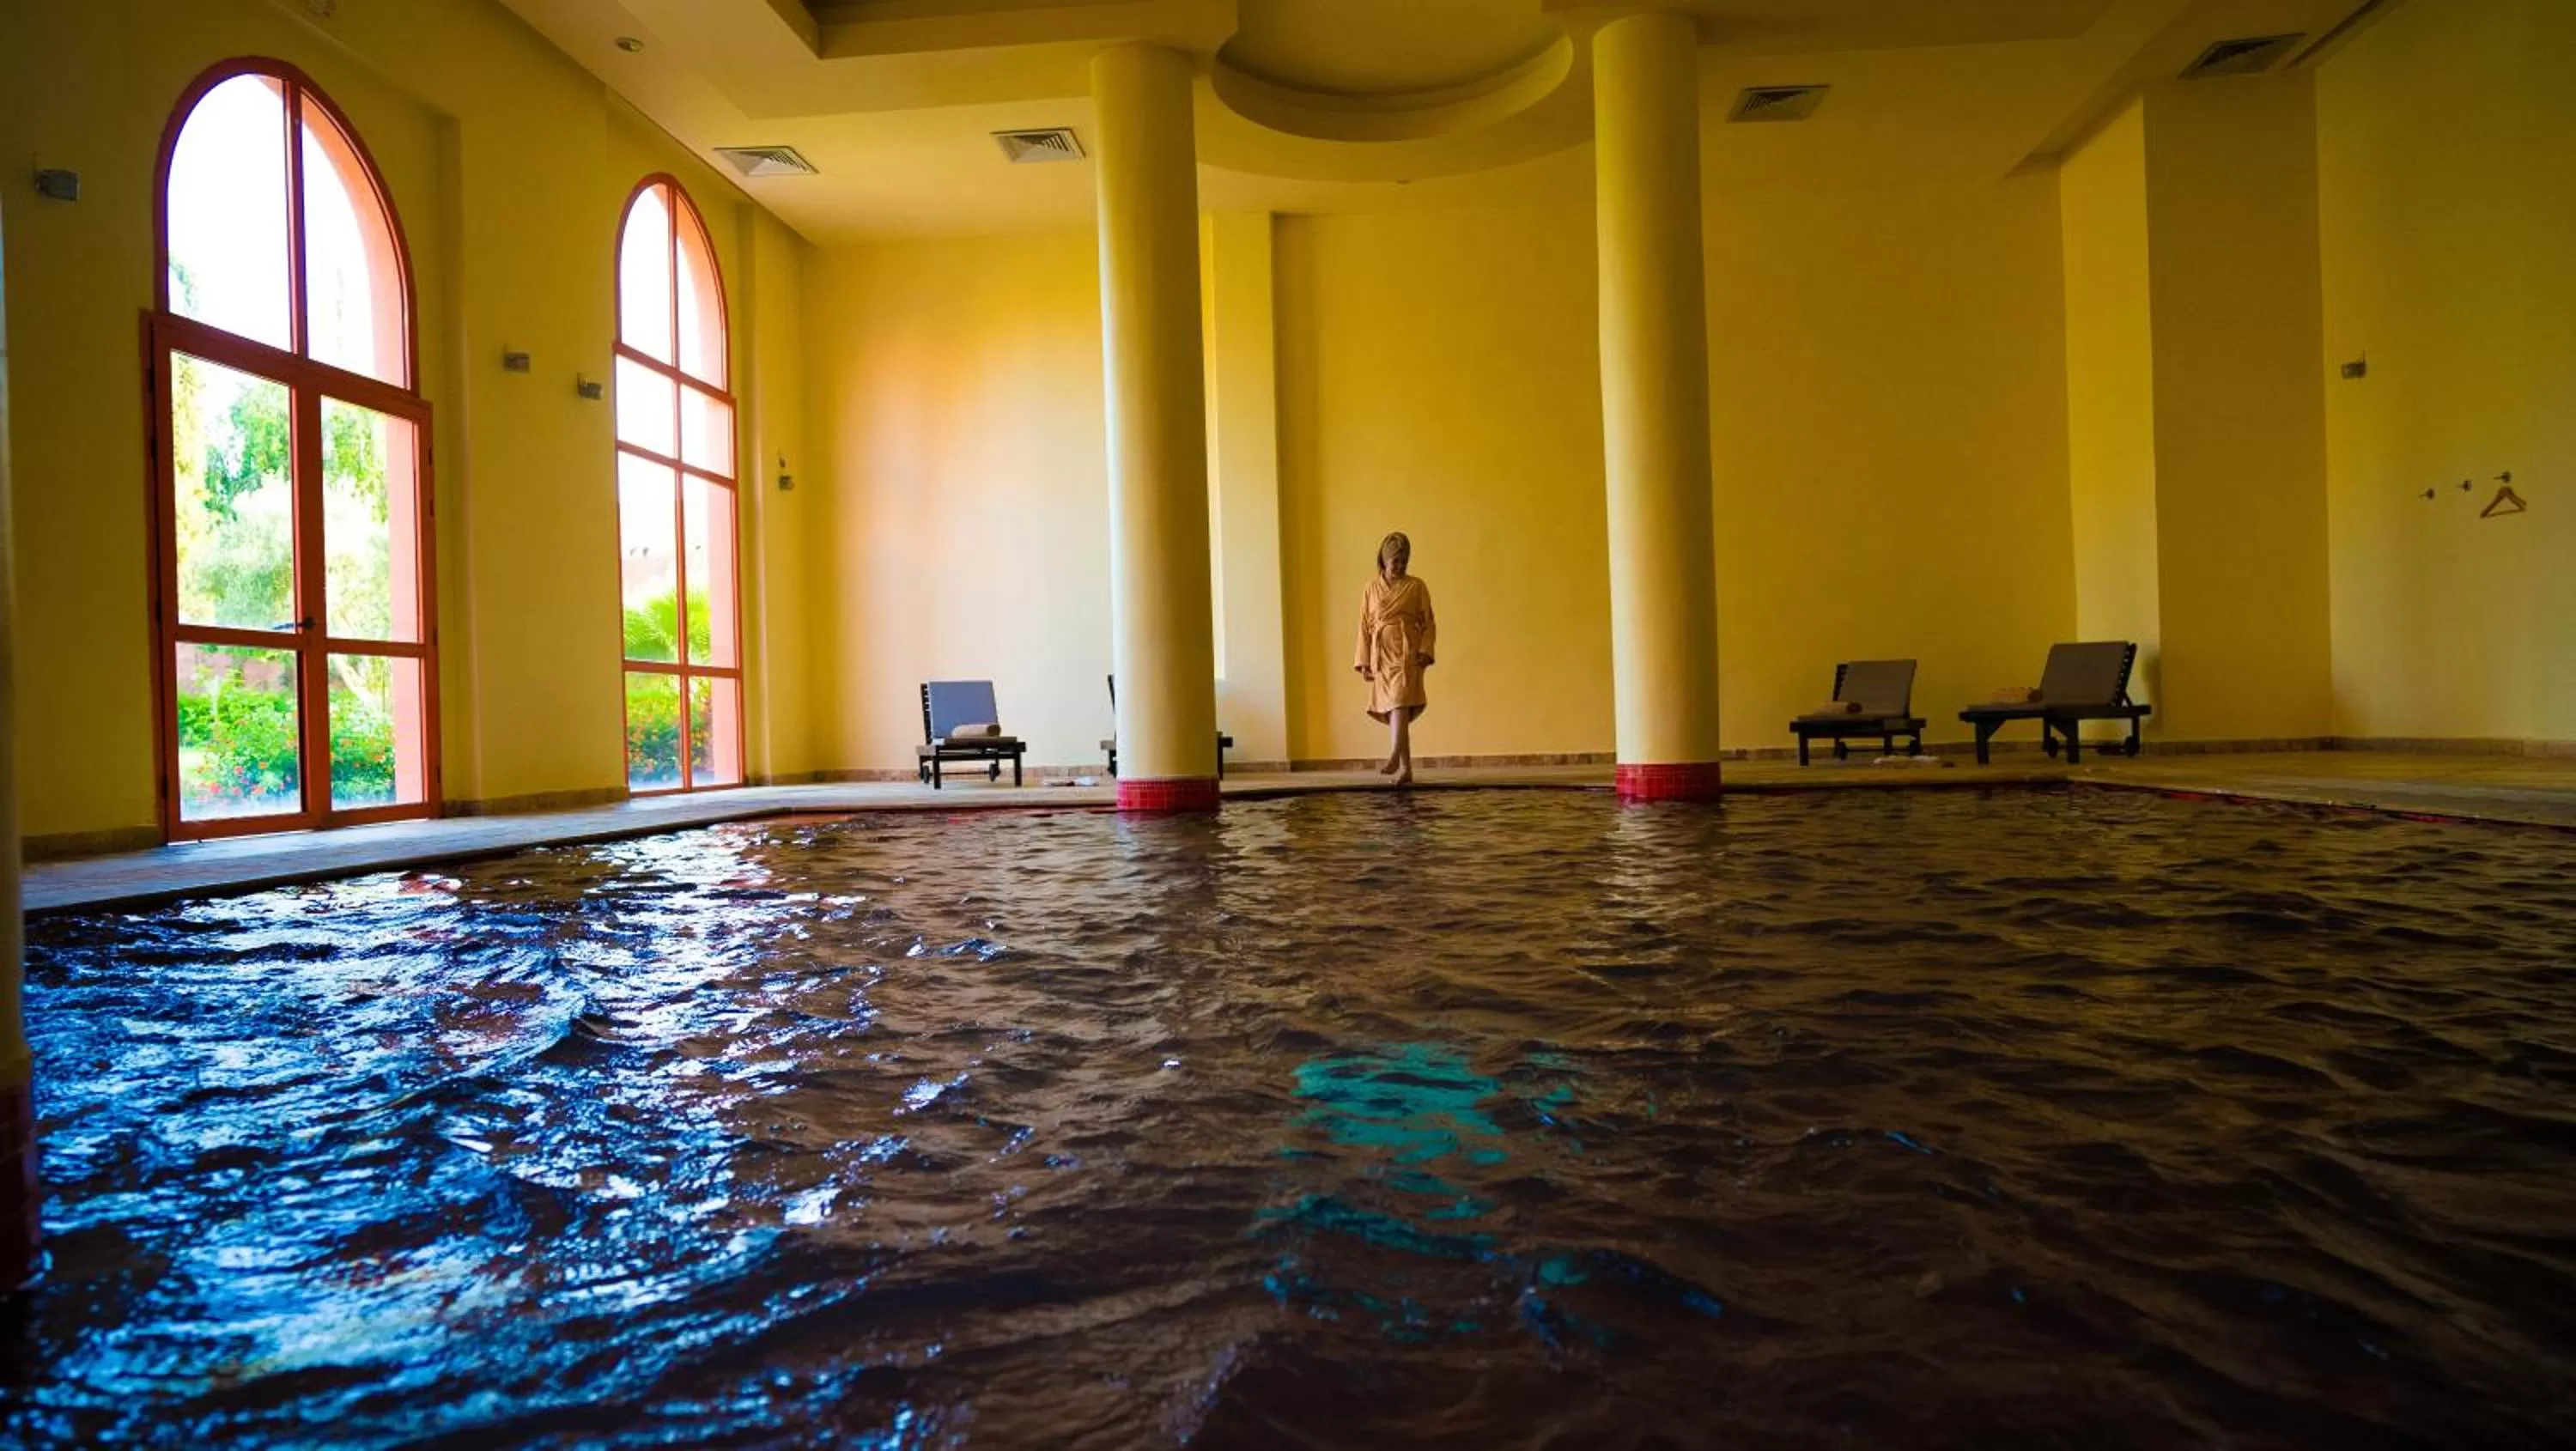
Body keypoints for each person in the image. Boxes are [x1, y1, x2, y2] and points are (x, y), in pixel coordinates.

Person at [1353, 531, 1436, 785]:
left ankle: (1394, 756)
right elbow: (1364, 625)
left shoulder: (1417, 586)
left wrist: (1425, 650)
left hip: (1406, 653)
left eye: (1404, 562)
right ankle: (1406, 769)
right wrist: (1364, 661)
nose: (1399, 566)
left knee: (1399, 703)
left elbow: (1429, 622)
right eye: (1395, 562)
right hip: (1381, 653)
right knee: (1393, 710)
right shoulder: (1370, 588)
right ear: (1384, 561)